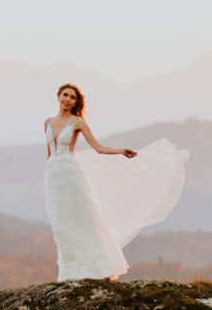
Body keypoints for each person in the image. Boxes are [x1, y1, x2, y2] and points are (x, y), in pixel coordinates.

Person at [44, 83, 189, 281]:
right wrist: (48, 175)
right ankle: (69, 271)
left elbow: (98, 147)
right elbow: (49, 154)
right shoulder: (48, 122)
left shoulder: (78, 123)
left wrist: (120, 151)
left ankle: (96, 268)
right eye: (65, 95)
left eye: (72, 97)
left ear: (76, 102)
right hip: (53, 177)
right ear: (58, 96)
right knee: (61, 224)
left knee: (82, 219)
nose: (68, 99)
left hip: (71, 175)